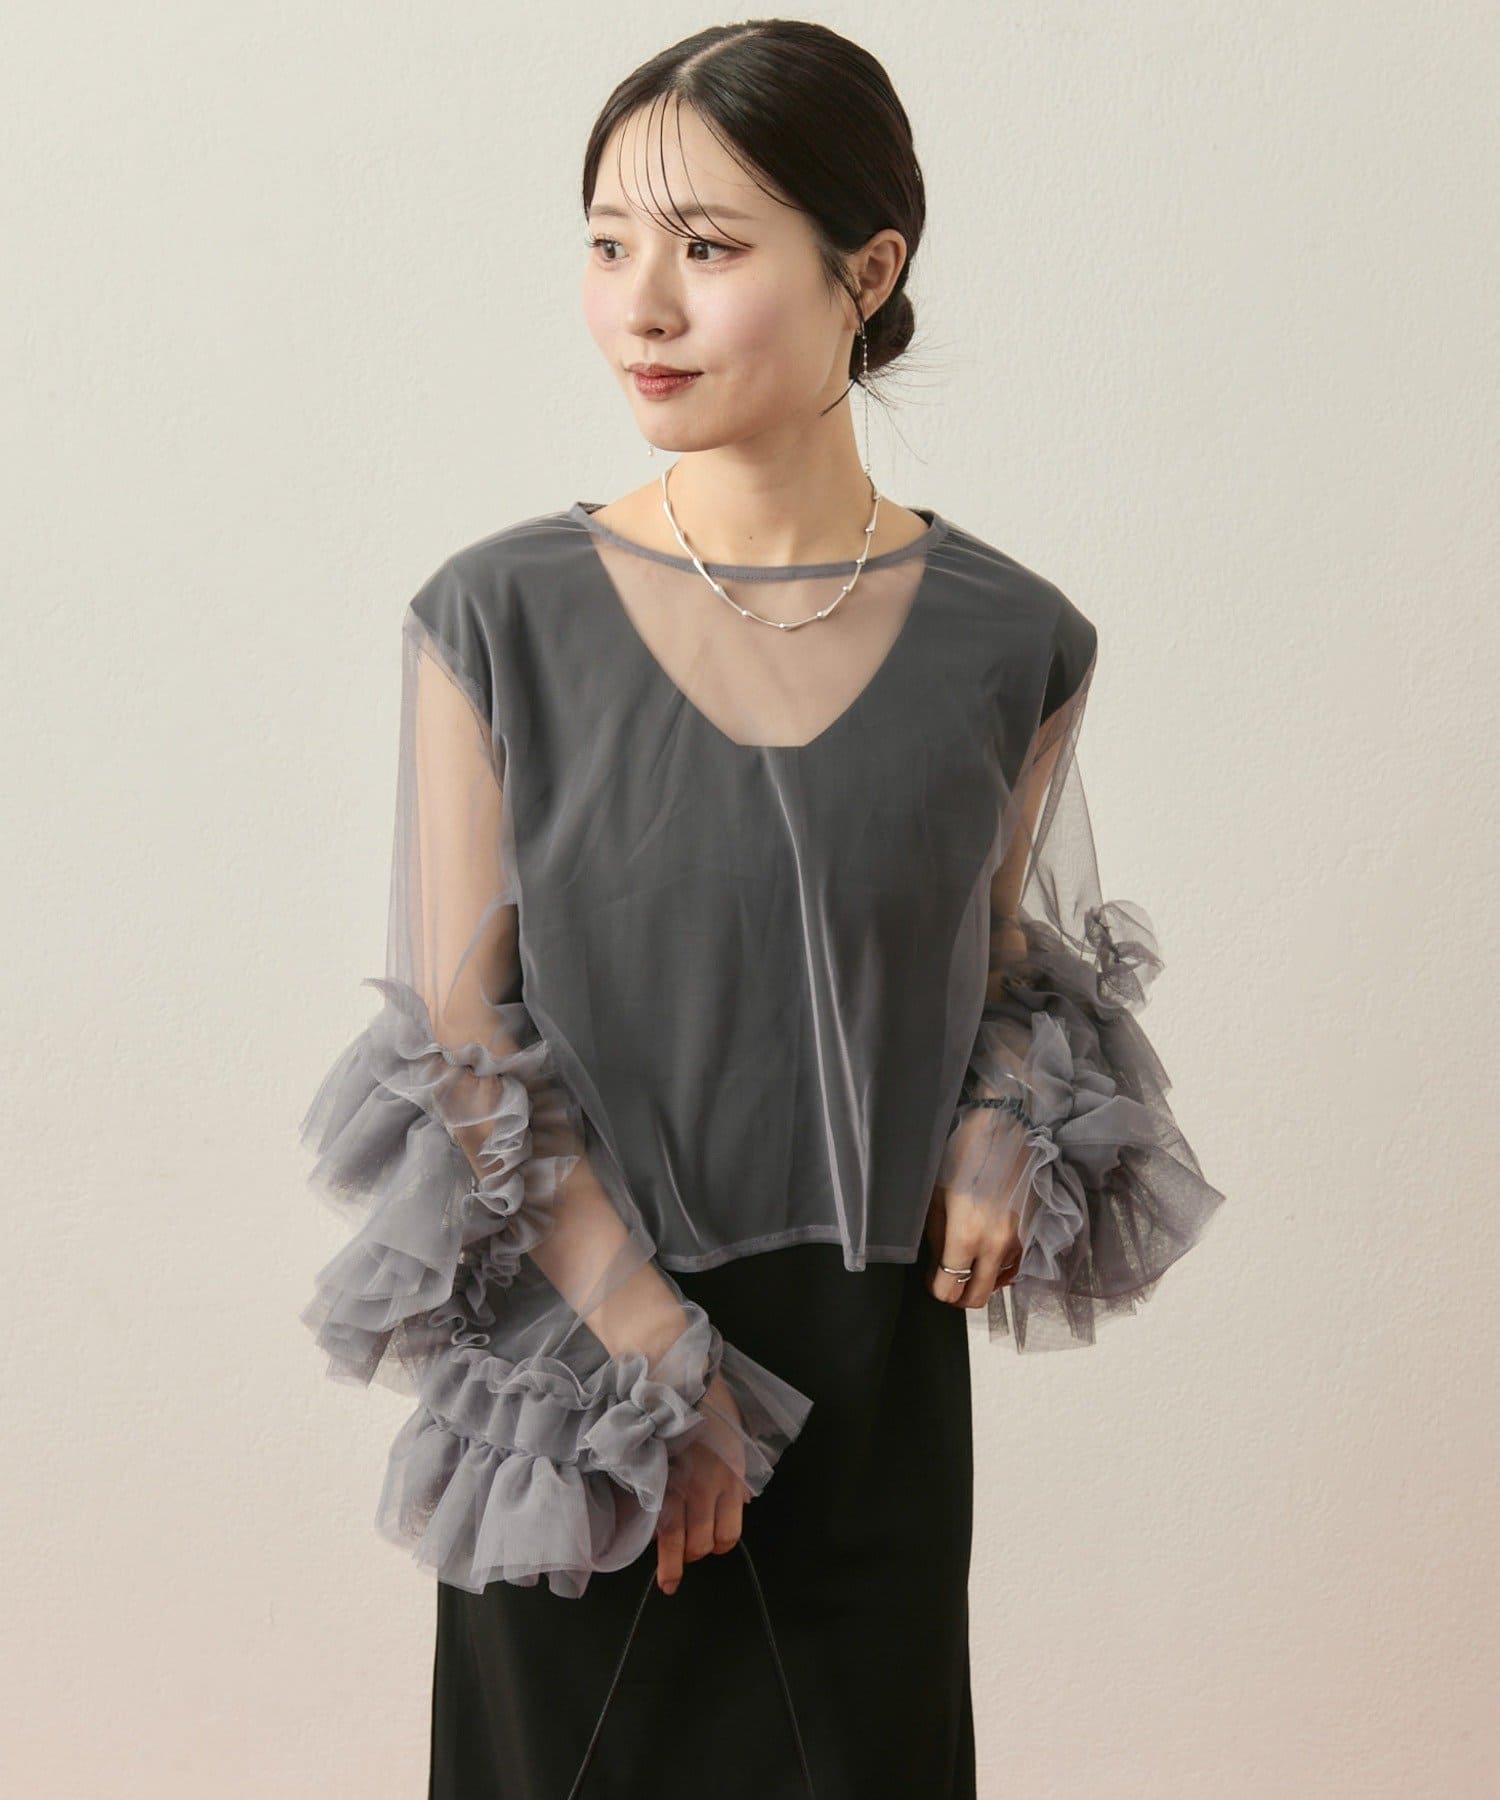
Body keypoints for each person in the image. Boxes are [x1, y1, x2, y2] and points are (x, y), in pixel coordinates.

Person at [297, 21, 1226, 1799]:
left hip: (874, 1394)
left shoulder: (1015, 641)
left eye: (707, 248)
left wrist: (1005, 1117)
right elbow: (460, 1048)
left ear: (866, 273)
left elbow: (999, 963)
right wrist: (659, 1362)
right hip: (587, 1401)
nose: (639, 306)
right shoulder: (495, 619)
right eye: (606, 244)